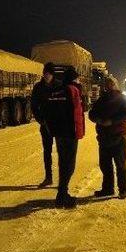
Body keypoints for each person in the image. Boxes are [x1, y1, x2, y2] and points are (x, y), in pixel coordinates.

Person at [43, 66, 85, 208]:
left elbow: (48, 110)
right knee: (69, 165)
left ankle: (62, 194)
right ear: (73, 78)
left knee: (63, 163)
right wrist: (76, 131)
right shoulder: (73, 90)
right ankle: (62, 196)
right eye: (77, 77)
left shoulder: (57, 90)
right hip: (70, 133)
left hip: (59, 134)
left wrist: (52, 129)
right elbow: (77, 111)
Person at [88, 76, 126, 199]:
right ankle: (108, 189)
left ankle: (123, 190)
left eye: (112, 83)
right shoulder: (101, 99)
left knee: (120, 165)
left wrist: (111, 121)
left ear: (116, 84)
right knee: (105, 165)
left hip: (118, 137)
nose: (110, 86)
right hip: (103, 137)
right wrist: (97, 119)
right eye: (107, 84)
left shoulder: (122, 99)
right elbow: (92, 114)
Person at [31, 62, 60, 188]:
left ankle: (62, 180)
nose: (47, 76)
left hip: (58, 124)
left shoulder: (59, 86)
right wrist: (40, 119)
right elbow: (34, 105)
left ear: (52, 74)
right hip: (45, 123)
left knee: (61, 152)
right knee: (47, 151)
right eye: (45, 73)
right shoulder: (38, 87)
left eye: (49, 73)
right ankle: (48, 177)